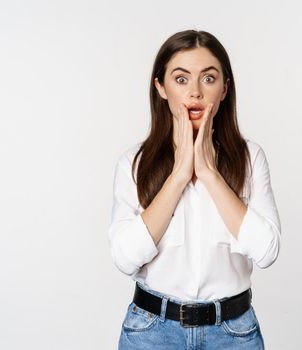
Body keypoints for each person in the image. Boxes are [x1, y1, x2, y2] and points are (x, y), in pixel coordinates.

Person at [108, 29, 282, 349]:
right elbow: (125, 258)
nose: (196, 93)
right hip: (152, 332)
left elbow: (267, 251)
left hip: (232, 333)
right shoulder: (133, 162)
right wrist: (178, 175)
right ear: (161, 87)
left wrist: (210, 174)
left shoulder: (250, 158)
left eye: (209, 78)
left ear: (225, 88)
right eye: (181, 79)